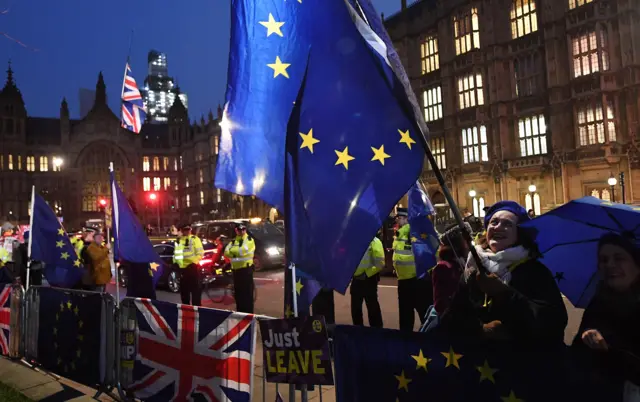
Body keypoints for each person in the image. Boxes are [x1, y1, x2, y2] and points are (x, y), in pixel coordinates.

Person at [455, 201, 568, 345]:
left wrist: (505, 293)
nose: (498, 227)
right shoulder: (473, 269)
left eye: (507, 224)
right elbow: (453, 318)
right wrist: (480, 330)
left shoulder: (534, 271)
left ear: (519, 233)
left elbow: (552, 323)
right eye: (494, 222)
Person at [571, 233, 640, 401]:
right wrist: (586, 339)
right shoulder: (598, 303)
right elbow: (576, 359)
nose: (610, 265)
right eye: (603, 259)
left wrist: (608, 351)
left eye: (619, 258)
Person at [393, 207, 429, 331]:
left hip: (414, 279)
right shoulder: (401, 233)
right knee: (407, 314)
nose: (397, 220)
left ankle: (426, 341)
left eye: (400, 218)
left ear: (407, 219)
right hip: (404, 279)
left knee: (418, 313)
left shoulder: (412, 233)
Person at [350, 234, 384, 328]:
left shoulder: (375, 241)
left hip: (369, 280)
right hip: (356, 279)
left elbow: (380, 263)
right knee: (356, 309)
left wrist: (366, 274)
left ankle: (377, 331)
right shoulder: (355, 242)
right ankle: (358, 330)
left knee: (372, 307)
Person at [224, 223, 256, 313]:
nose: (241, 231)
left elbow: (243, 251)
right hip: (236, 271)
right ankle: (240, 314)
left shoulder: (249, 240)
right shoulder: (233, 241)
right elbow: (226, 252)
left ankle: (249, 314)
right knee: (238, 295)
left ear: (245, 230)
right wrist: (235, 252)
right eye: (239, 230)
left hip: (246, 271)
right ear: (236, 230)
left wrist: (233, 252)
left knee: (247, 295)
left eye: (243, 229)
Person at [173, 224, 204, 306]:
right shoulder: (178, 240)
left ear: (190, 230)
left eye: (188, 229)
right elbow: (176, 254)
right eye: (185, 230)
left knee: (196, 293)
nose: (187, 231)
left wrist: (194, 263)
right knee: (184, 294)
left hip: (193, 269)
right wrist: (175, 263)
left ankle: (197, 310)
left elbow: (200, 253)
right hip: (183, 270)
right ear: (182, 230)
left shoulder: (195, 239)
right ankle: (186, 310)